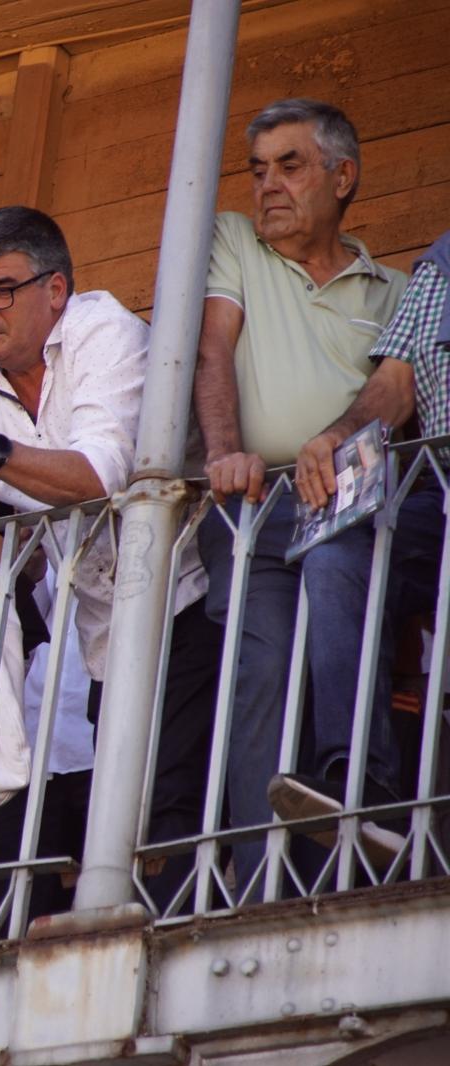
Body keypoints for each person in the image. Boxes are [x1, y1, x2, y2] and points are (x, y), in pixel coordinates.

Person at [0, 206, 217, 909]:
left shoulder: (104, 331)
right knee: (117, 810)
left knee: (176, 801)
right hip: (99, 629)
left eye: (1, 289)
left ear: (56, 290)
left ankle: (181, 936)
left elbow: (100, 475)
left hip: (192, 596)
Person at [192, 99, 408, 878]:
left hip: (352, 495)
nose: (267, 186)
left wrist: (336, 441)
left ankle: (356, 793)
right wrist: (224, 452)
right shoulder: (234, 242)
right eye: (258, 169)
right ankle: (257, 879)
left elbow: (396, 395)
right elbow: (213, 348)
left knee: (335, 572)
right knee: (261, 663)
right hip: (254, 499)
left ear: (342, 176)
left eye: (290, 166)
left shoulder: (392, 288)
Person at [268, 228, 450, 854]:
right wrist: (336, 435)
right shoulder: (442, 263)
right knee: (338, 549)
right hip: (441, 496)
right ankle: (360, 782)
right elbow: (394, 385)